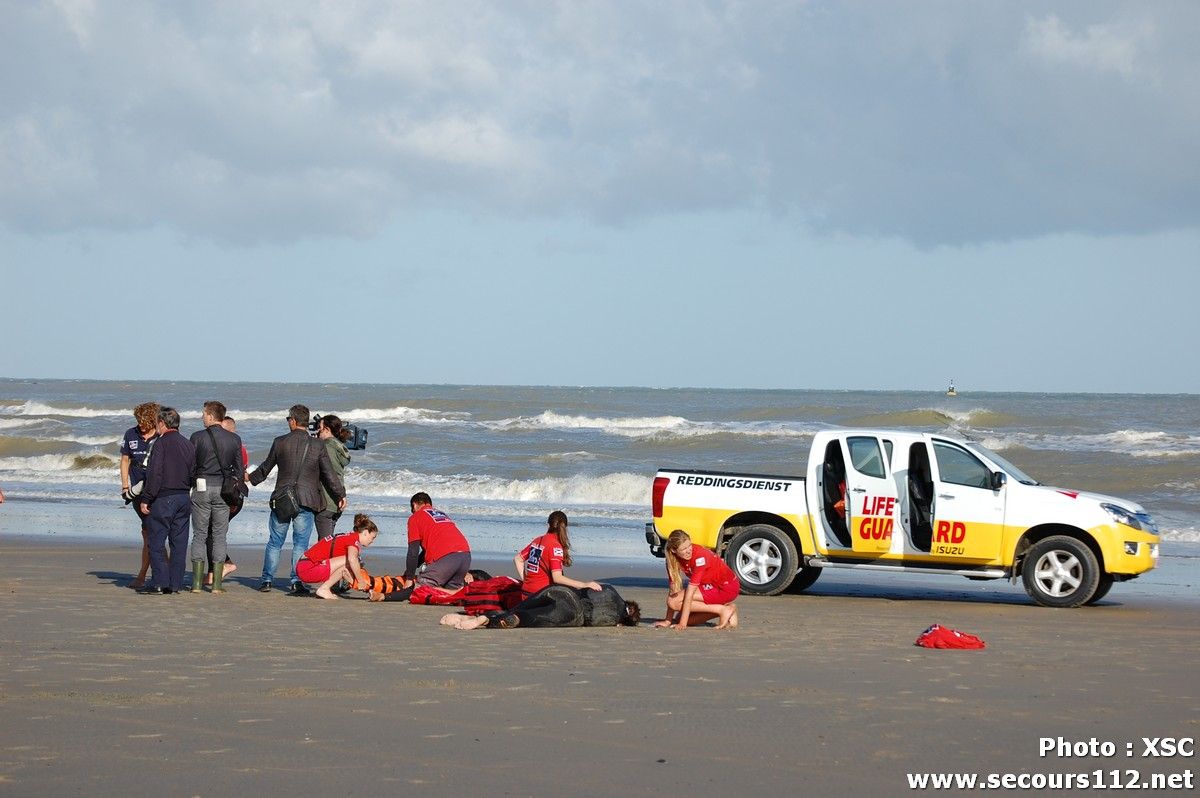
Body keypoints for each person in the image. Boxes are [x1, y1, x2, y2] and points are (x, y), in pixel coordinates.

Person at [247, 404, 346, 595]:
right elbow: (329, 474)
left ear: (292, 421)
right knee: (300, 543)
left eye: (288, 420)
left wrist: (249, 479)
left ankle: (267, 580)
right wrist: (340, 494)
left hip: (283, 499)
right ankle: (296, 581)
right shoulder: (317, 445)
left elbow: (265, 469)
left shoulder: (280, 442)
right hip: (306, 500)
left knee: (275, 542)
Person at [138, 407, 197, 594]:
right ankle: (175, 583)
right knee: (179, 543)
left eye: (157, 423)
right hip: (183, 497)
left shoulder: (160, 443)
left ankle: (159, 582)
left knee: (156, 541)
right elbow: (194, 473)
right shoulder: (188, 444)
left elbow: (155, 474)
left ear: (162, 423)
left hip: (164, 497)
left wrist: (146, 498)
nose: (156, 426)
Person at [188, 401, 243, 594]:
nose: (202, 417)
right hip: (223, 489)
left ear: (211, 416)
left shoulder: (196, 437)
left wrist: (191, 482)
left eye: (204, 414)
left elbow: (191, 466)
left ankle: (196, 584)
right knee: (219, 535)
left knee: (199, 534)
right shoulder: (234, 439)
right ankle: (217, 585)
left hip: (202, 488)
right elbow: (238, 469)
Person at [442, 583, 641, 630]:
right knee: (531, 618)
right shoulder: (614, 619)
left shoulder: (610, 590)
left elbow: (588, 588)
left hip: (563, 591)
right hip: (574, 613)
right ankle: (490, 620)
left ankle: (482, 615)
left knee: (521, 606)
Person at [654, 529, 739, 630]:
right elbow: (673, 589)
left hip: (726, 587)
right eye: (684, 549)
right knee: (680, 617)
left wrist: (682, 625)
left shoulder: (700, 557)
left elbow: (690, 591)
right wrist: (668, 621)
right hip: (709, 586)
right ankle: (727, 608)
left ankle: (722, 609)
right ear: (673, 550)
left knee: (674, 603)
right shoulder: (672, 560)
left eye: (689, 545)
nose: (689, 550)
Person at [513, 510, 601, 600]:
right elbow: (557, 578)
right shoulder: (555, 547)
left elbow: (518, 559)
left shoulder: (537, 540)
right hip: (541, 596)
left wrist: (526, 581)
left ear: (548, 525)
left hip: (525, 593)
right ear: (565, 528)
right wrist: (584, 585)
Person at [120, 402, 159, 588]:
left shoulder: (161, 436)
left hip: (157, 492)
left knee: (152, 534)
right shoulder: (130, 434)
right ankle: (152, 573)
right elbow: (125, 460)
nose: (140, 425)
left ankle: (144, 575)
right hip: (136, 492)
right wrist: (125, 486)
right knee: (148, 534)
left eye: (144, 421)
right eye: (138, 421)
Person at [295, 513, 378, 600]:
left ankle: (367, 589)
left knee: (352, 564)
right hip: (307, 569)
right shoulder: (353, 540)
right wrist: (360, 581)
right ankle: (324, 589)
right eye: (372, 537)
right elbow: (352, 560)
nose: (372, 541)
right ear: (365, 533)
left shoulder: (348, 536)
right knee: (354, 561)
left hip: (304, 566)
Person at [205, 415, 247, 585]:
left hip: (231, 496)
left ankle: (224, 565)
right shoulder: (234, 447)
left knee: (212, 533)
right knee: (213, 532)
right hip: (224, 494)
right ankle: (214, 570)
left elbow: (236, 476)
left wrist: (232, 502)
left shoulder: (236, 448)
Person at [403, 493, 472, 590]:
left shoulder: (415, 517)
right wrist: (410, 570)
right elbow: (428, 550)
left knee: (419, 589)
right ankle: (459, 590)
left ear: (414, 505)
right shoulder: (442, 514)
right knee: (448, 593)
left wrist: (409, 579)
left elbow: (413, 552)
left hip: (446, 559)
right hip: (465, 556)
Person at [315, 415, 351, 540]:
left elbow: (329, 473)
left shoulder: (327, 446)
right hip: (336, 502)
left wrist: (340, 495)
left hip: (327, 501)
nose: (317, 431)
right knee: (329, 542)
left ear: (327, 429)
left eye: (319, 428)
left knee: (324, 544)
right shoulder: (338, 446)